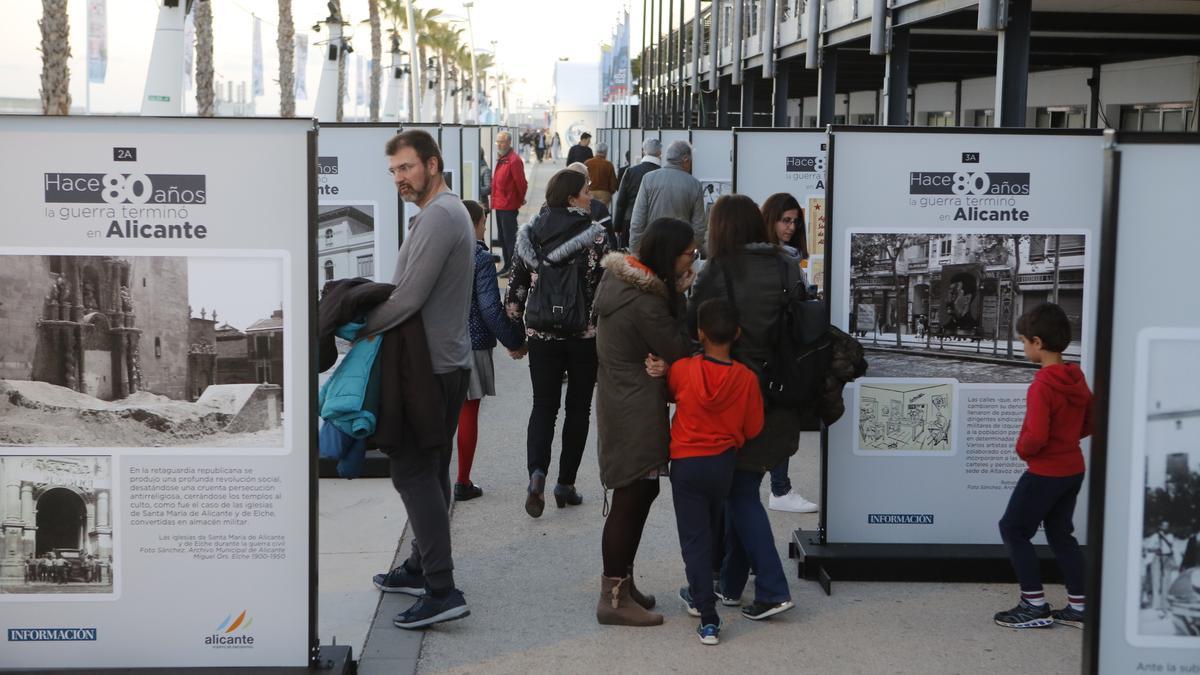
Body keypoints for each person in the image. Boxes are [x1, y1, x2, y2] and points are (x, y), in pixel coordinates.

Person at [364, 130, 475, 630]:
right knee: (429, 471)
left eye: (406, 168)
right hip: (441, 364)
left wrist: (354, 329)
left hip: (429, 369)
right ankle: (420, 566)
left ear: (432, 164)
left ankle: (441, 588)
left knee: (412, 471)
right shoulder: (443, 214)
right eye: (393, 171)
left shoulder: (441, 216)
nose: (399, 179)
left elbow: (407, 298)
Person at [687, 194, 798, 622]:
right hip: (784, 390)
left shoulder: (718, 269)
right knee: (742, 485)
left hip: (735, 392)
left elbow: (692, 325)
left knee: (740, 490)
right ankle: (730, 586)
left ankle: (772, 586)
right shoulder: (787, 262)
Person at [593, 217, 697, 626]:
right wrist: (682, 296)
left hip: (623, 399)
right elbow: (679, 346)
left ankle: (623, 583)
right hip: (635, 406)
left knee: (639, 492)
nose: (692, 260)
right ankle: (613, 598)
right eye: (690, 253)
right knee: (632, 496)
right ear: (670, 254)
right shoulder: (647, 299)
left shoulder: (624, 285)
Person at [505, 169, 611, 518]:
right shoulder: (595, 237)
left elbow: (516, 291)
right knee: (578, 410)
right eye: (586, 190)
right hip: (583, 336)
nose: (591, 195)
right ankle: (565, 484)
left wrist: (517, 338)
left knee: (543, 407)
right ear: (570, 198)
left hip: (542, 337)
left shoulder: (529, 234)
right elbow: (605, 290)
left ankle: (537, 475)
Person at [665, 297, 764, 645]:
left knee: (694, 538)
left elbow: (672, 392)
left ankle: (707, 614)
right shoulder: (747, 379)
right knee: (713, 527)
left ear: (700, 333)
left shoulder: (683, 370)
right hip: (723, 463)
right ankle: (707, 587)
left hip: (687, 464)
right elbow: (753, 428)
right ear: (737, 333)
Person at [994, 302, 1092, 630]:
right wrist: (1066, 439)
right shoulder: (1075, 377)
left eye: (1023, 341)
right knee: (1061, 534)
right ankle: (1079, 607)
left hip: (1045, 471)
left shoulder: (1043, 384)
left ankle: (1034, 604)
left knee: (1013, 528)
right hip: (1073, 468)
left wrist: (1024, 450)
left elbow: (1035, 435)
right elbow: (1089, 422)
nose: (1023, 347)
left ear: (1037, 343)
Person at [456, 200, 526, 501]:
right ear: (474, 223)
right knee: (468, 411)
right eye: (483, 221)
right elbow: (488, 307)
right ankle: (462, 481)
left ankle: (436, 481)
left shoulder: (441, 250)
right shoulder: (480, 257)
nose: (485, 226)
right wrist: (514, 340)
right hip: (470, 343)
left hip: (437, 342)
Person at [759, 193, 818, 514]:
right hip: (772, 350)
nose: (791, 227)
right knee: (776, 421)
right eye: (785, 220)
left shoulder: (790, 258)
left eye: (795, 222)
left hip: (779, 350)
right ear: (771, 220)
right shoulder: (776, 259)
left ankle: (779, 488)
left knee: (777, 420)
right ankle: (779, 489)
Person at [629, 140, 706, 255]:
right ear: (685, 159)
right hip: (680, 250)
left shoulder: (648, 179)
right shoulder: (694, 184)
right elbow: (699, 226)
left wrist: (635, 251)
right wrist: (691, 252)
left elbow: (638, 220)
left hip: (652, 247)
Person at [613, 138, 662, 249]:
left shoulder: (631, 172)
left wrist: (617, 227)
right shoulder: (663, 174)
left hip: (630, 221)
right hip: (655, 224)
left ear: (643, 151)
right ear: (660, 153)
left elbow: (621, 202)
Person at [492, 131, 528, 277]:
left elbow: (521, 184)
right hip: (500, 204)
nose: (499, 144)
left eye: (501, 141)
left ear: (508, 143)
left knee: (510, 238)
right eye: (497, 142)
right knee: (502, 237)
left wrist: (519, 200)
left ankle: (513, 268)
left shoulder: (513, 160)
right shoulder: (503, 159)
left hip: (508, 205)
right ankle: (507, 265)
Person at [585, 143, 618, 208]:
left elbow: (583, 178)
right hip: (604, 194)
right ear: (606, 152)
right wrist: (610, 193)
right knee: (603, 215)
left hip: (590, 192)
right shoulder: (609, 165)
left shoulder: (587, 163)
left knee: (590, 213)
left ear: (595, 151)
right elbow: (613, 183)